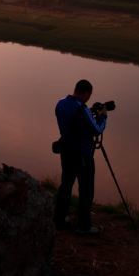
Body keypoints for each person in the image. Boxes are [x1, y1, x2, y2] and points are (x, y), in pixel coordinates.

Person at [53, 79, 107, 234]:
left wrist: (89, 113)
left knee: (66, 185)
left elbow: (74, 121)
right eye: (88, 95)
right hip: (83, 155)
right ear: (85, 93)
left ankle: (59, 219)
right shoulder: (82, 109)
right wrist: (103, 117)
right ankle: (84, 226)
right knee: (86, 190)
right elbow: (97, 129)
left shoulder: (60, 103)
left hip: (66, 152)